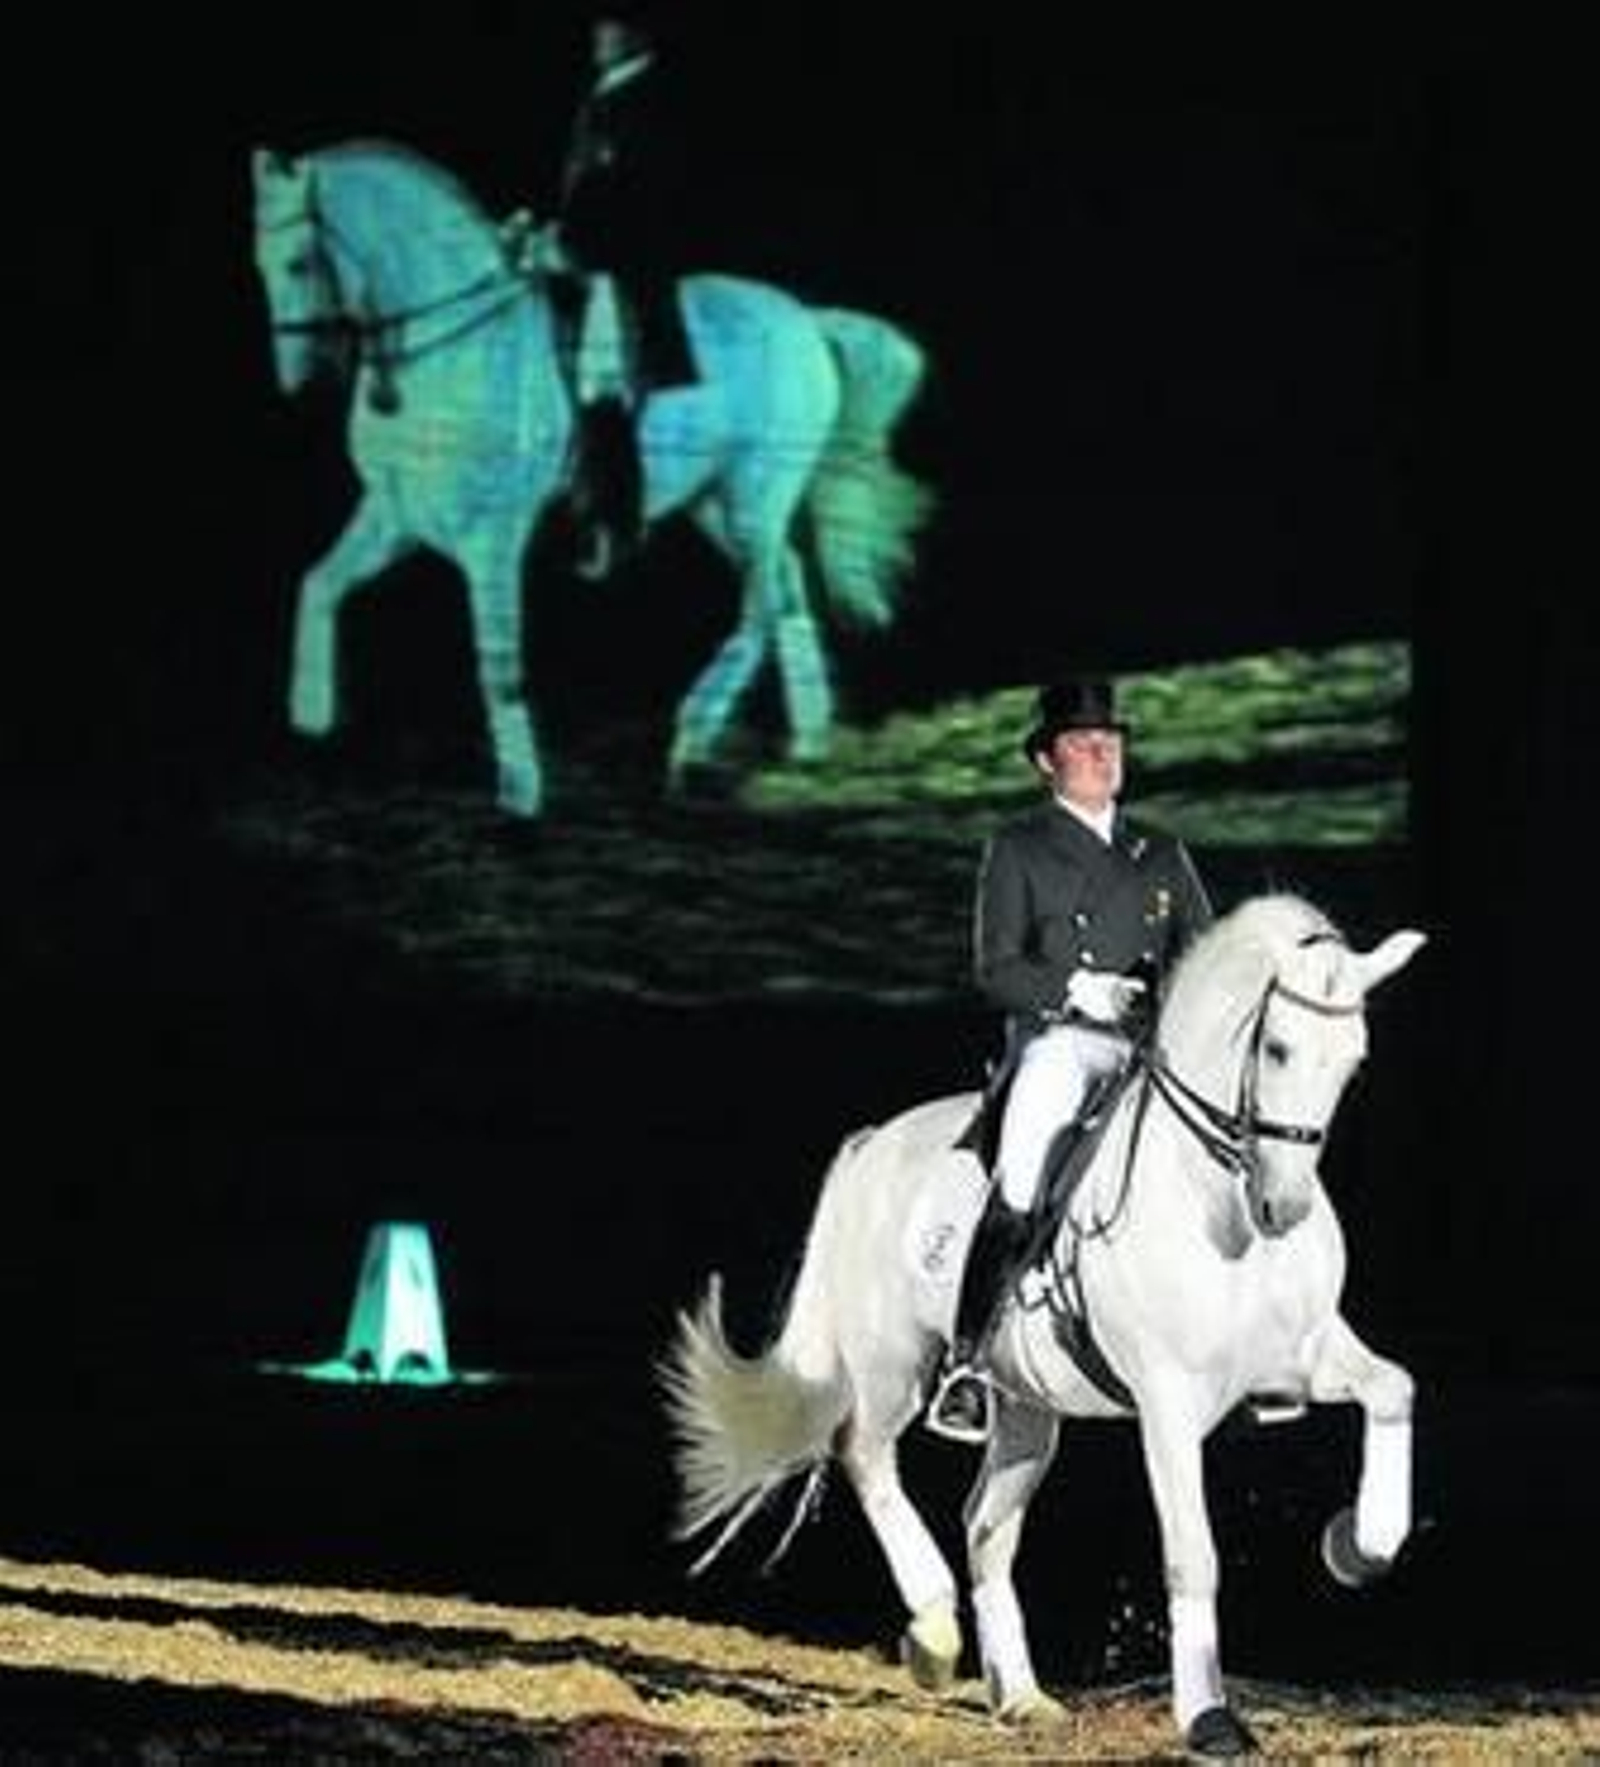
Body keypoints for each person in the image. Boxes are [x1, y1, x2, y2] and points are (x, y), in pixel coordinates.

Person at [926, 675, 1214, 1443]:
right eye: (1083, 744)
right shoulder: (1018, 846)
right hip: (1064, 1042)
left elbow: (1205, 954)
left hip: (1153, 1044)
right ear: (1046, 761)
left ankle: (1253, 1351)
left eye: (1110, 742)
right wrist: (1075, 989)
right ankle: (967, 1360)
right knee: (1023, 1173)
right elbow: (995, 967)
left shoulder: (1161, 851)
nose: (1102, 753)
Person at [553, 6, 698, 577]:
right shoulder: (604, 92)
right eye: (599, 27)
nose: (598, 36)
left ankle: (614, 521)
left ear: (634, 35)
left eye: (609, 28)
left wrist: (576, 245)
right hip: (584, 251)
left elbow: (635, 192)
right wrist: (550, 233)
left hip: (623, 264)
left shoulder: (648, 98)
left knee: (600, 385)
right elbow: (583, 186)